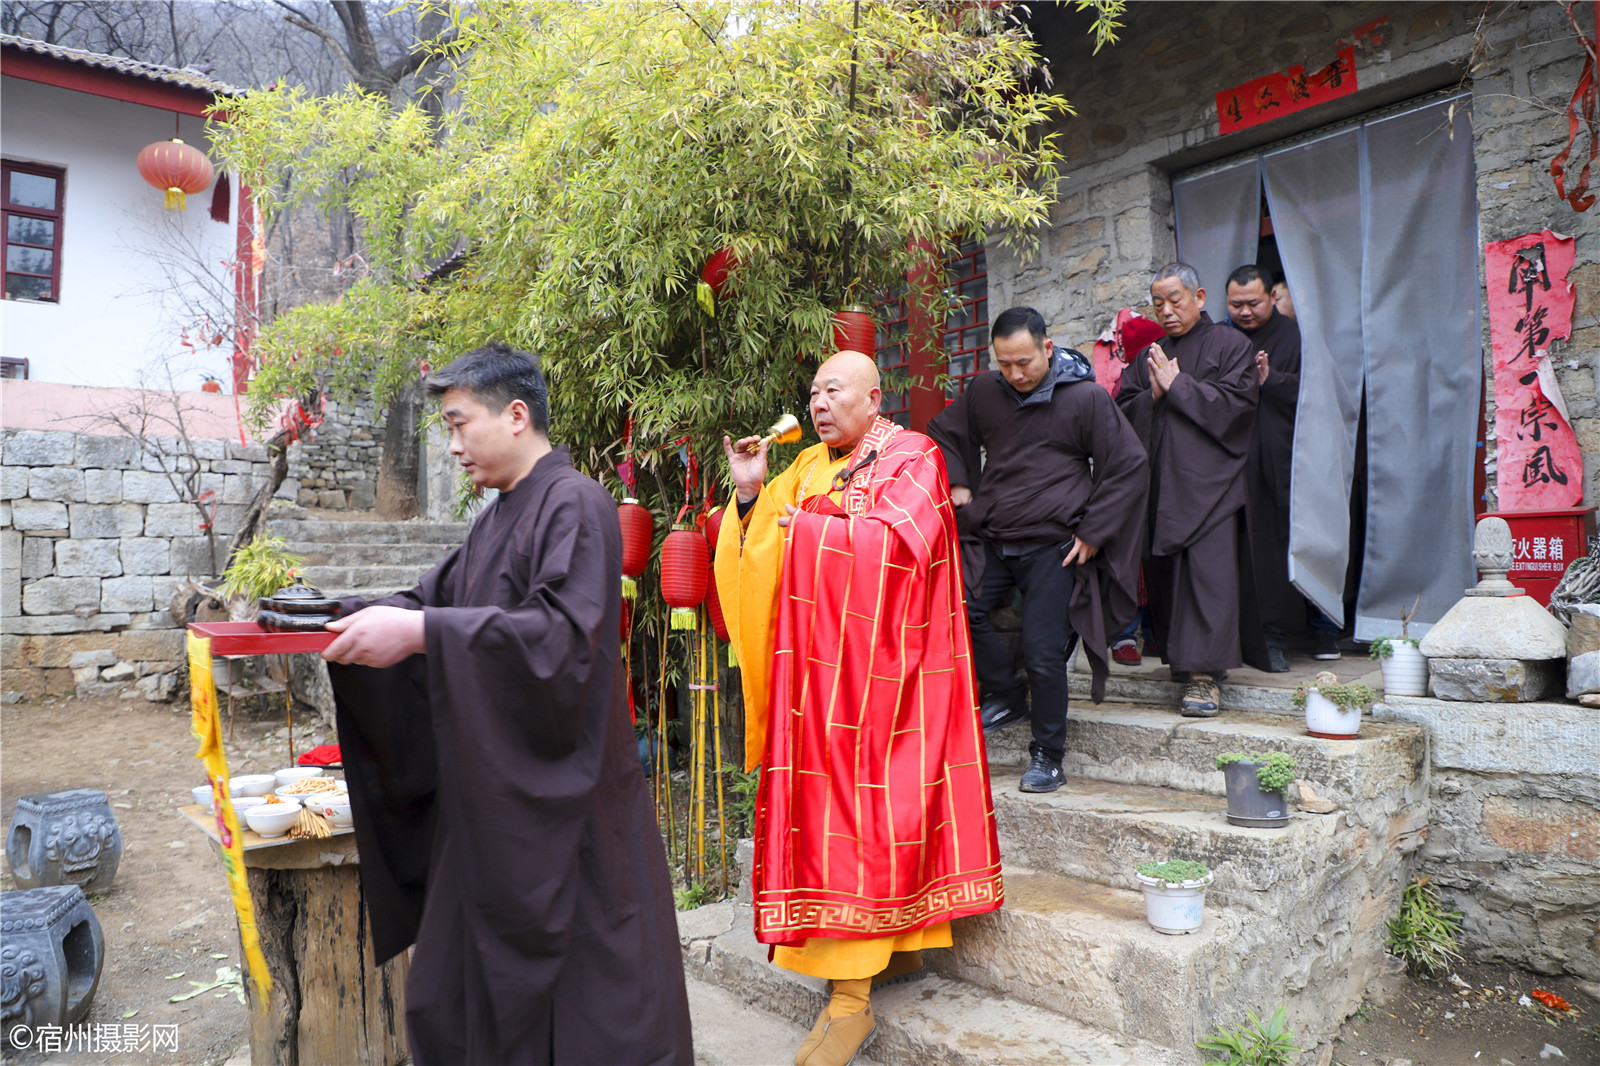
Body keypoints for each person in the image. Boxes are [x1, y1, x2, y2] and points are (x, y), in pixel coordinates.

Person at [320, 343, 693, 1066]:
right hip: (496, 812)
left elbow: (561, 640)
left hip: (570, 809)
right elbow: (426, 600)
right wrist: (327, 613)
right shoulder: (496, 520)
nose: (453, 446)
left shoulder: (576, 503)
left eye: (460, 425)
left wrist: (422, 634)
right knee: (447, 1000)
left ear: (516, 415)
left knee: (592, 1013)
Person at [715, 350, 1002, 1066]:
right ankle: (884, 958)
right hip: (813, 683)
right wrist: (750, 496)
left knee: (866, 820)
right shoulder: (804, 467)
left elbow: (902, 551)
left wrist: (812, 528)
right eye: (813, 391)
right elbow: (761, 553)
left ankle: (851, 1001)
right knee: (827, 822)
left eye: (833, 390)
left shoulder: (913, 456)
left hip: (886, 682)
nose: (818, 402)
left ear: (874, 398)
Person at [926, 307, 1147, 794]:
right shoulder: (985, 391)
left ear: (1048, 348)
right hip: (995, 535)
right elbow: (943, 433)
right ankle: (1006, 694)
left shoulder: (1084, 398)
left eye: (1024, 362)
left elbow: (1129, 462)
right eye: (1004, 363)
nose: (1015, 373)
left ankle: (1049, 755)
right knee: (955, 605)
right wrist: (959, 482)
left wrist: (1094, 530)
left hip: (1056, 545)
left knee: (1043, 653)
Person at [1117, 263, 1270, 716]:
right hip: (1162, 489)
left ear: (1199, 297)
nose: (1166, 311)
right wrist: (1152, 395)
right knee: (1170, 581)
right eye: (1157, 303)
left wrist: (1179, 385)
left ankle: (1205, 678)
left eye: (1174, 300)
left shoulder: (1231, 346)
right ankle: (1185, 662)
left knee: (1208, 580)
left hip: (1212, 488)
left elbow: (1239, 406)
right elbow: (1119, 411)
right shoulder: (1151, 354)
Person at [1226, 264, 1341, 667]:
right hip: (1236, 460)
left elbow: (1319, 392)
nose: (1244, 312)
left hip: (1287, 459)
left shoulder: (1294, 336)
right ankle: (1249, 636)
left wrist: (1270, 380)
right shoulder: (1224, 339)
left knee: (1291, 545)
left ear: (1271, 297)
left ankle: (1304, 632)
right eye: (1236, 305)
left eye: (1253, 303)